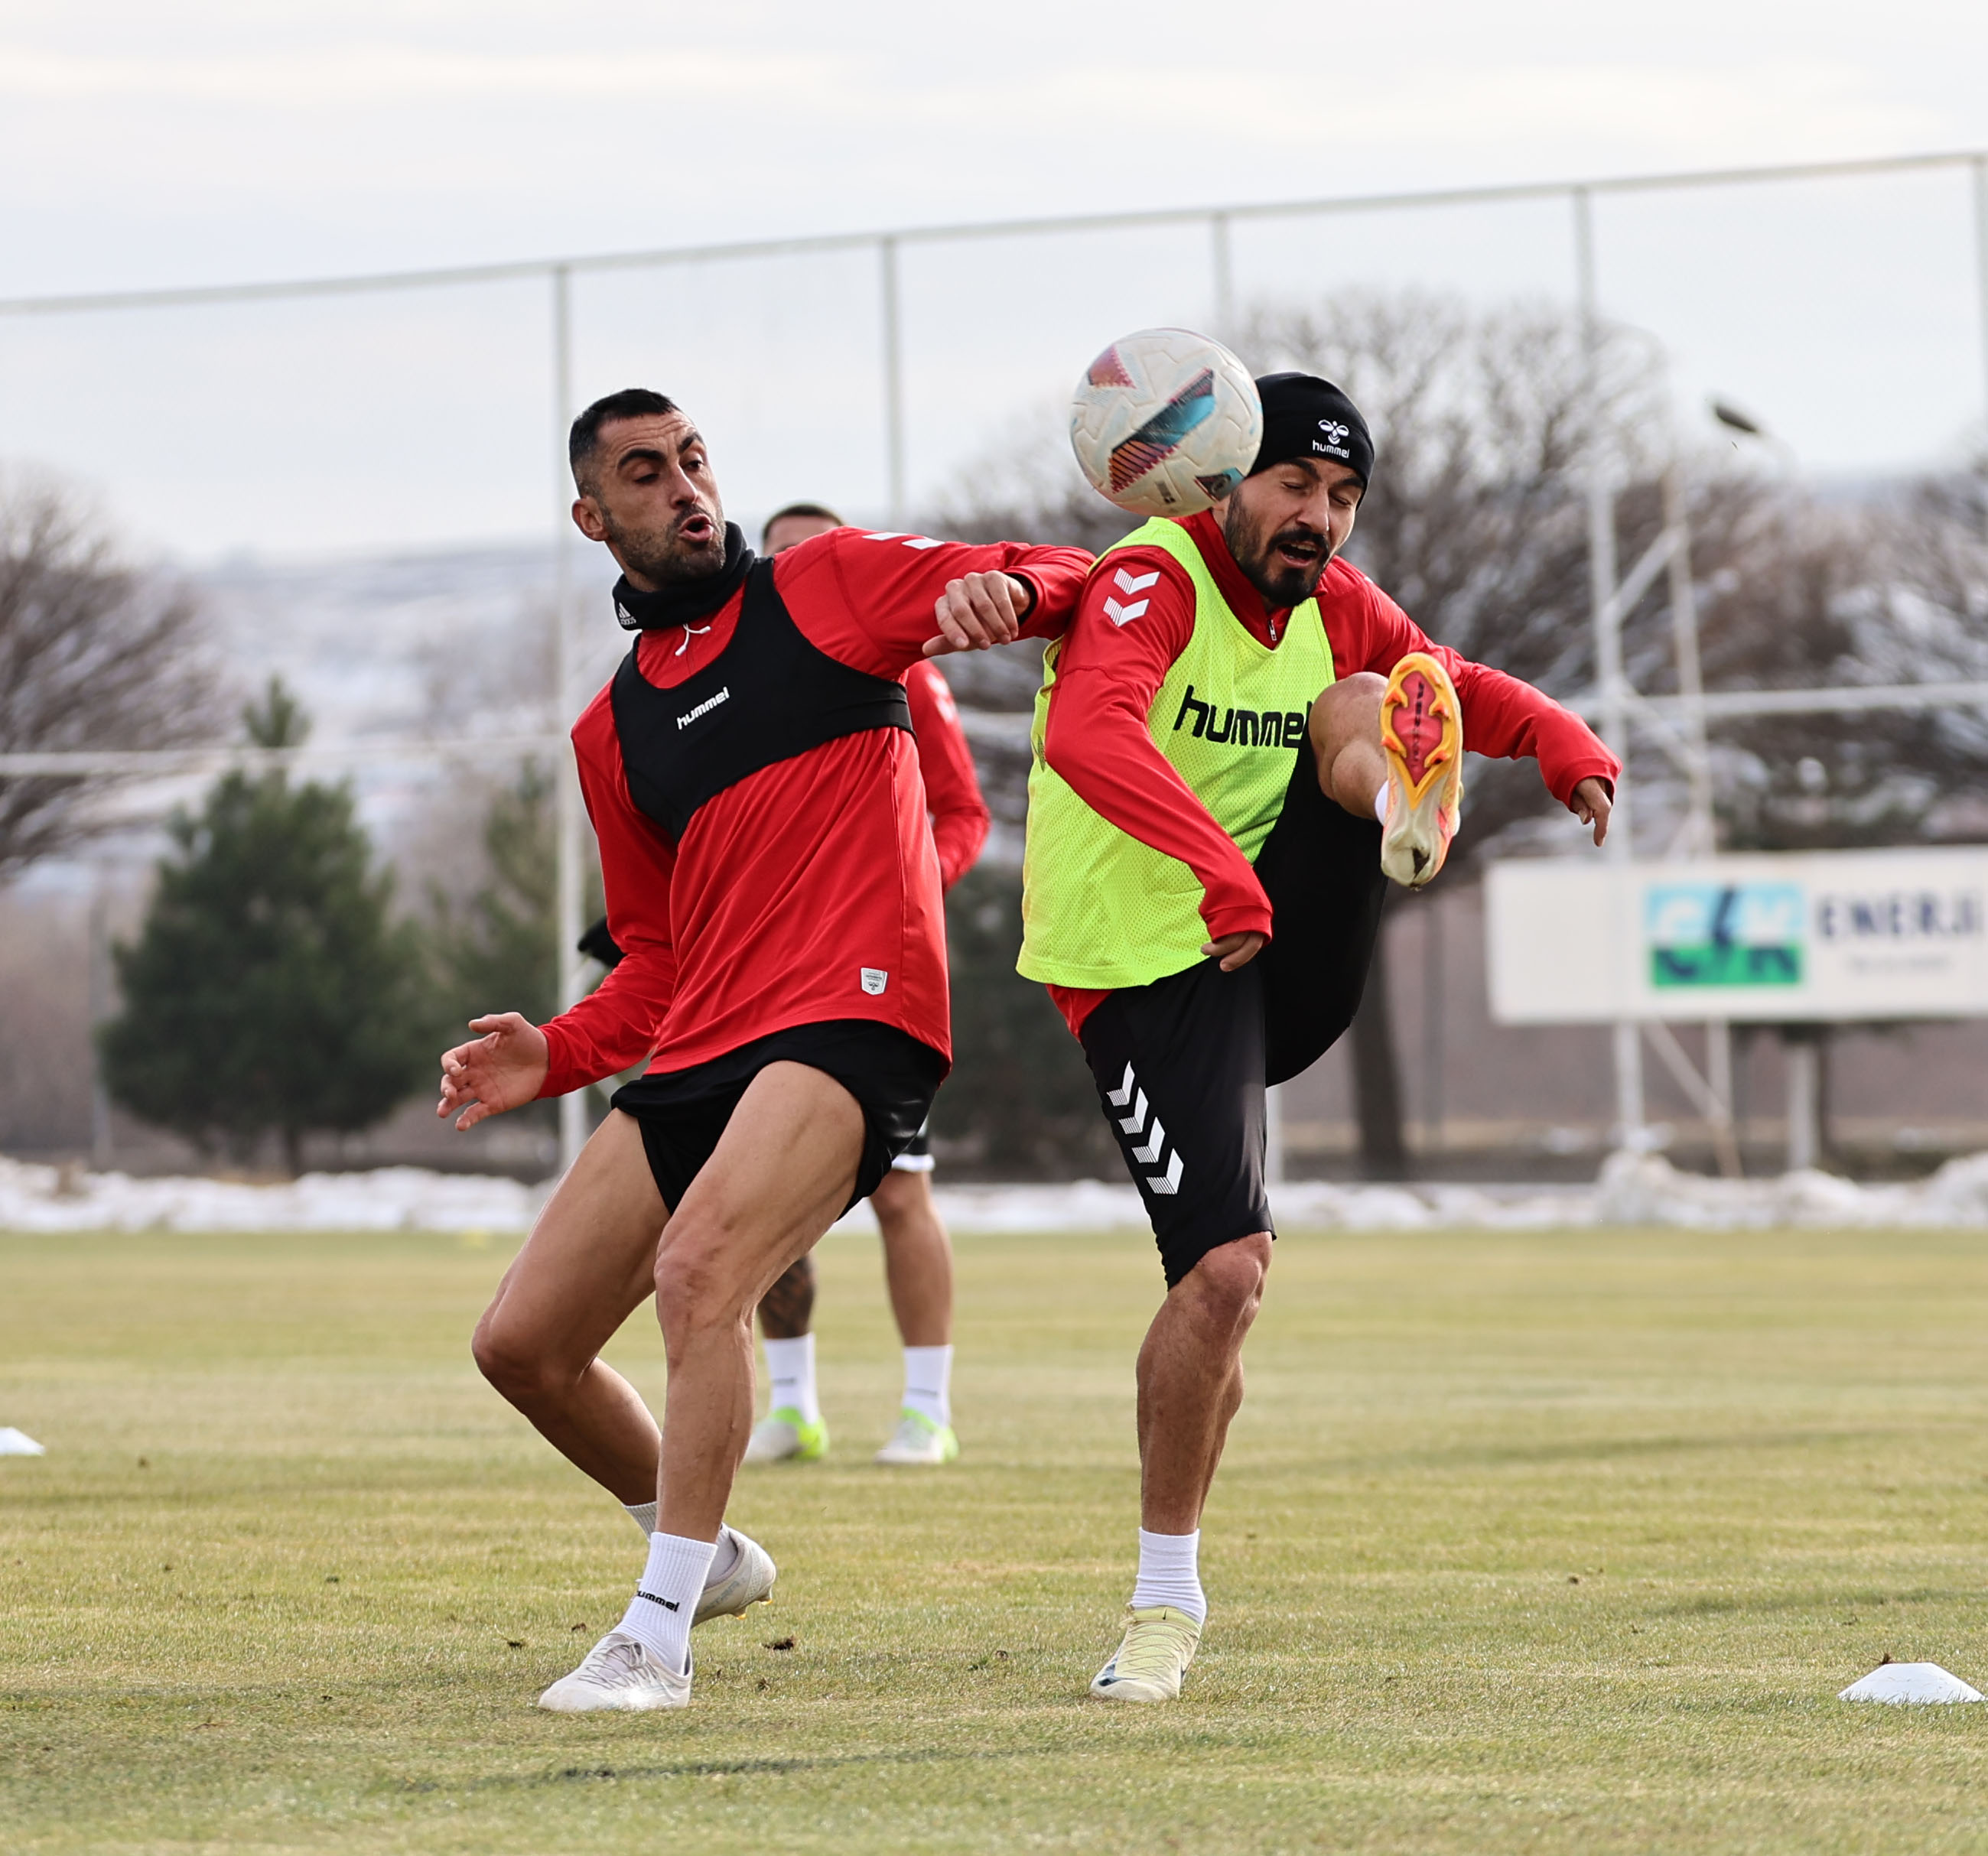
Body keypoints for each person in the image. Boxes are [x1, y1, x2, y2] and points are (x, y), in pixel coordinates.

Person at [441, 388, 1089, 1713]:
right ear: (591, 517)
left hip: (854, 1015)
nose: (683, 487)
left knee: (699, 1272)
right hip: (706, 1039)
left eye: (691, 459)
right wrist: (553, 1053)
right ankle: (711, 1551)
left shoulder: (825, 585)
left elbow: (1068, 570)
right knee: (522, 1342)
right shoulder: (609, 730)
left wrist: (1012, 593)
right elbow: (656, 957)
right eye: (643, 472)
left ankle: (655, 1638)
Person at [1018, 370, 1620, 1705]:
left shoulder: (1330, 593)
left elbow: (1447, 678)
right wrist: (1212, 874)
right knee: (1221, 1284)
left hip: (1276, 937)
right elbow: (1085, 734)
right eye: (1294, 483)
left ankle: (1406, 801)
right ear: (1226, 475)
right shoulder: (1150, 577)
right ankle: (1165, 1600)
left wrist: (1558, 738)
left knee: (1380, 688)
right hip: (1143, 965)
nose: (1319, 517)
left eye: (1342, 495)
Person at [743, 500, 990, 1470]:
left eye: (819, 555)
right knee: (757, 1191)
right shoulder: (738, 682)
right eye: (780, 560)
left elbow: (963, 813)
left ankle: (927, 1410)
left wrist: (904, 883)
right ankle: (793, 1406)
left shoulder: (905, 670)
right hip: (759, 975)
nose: (799, 573)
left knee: (898, 1191)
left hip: (876, 974)